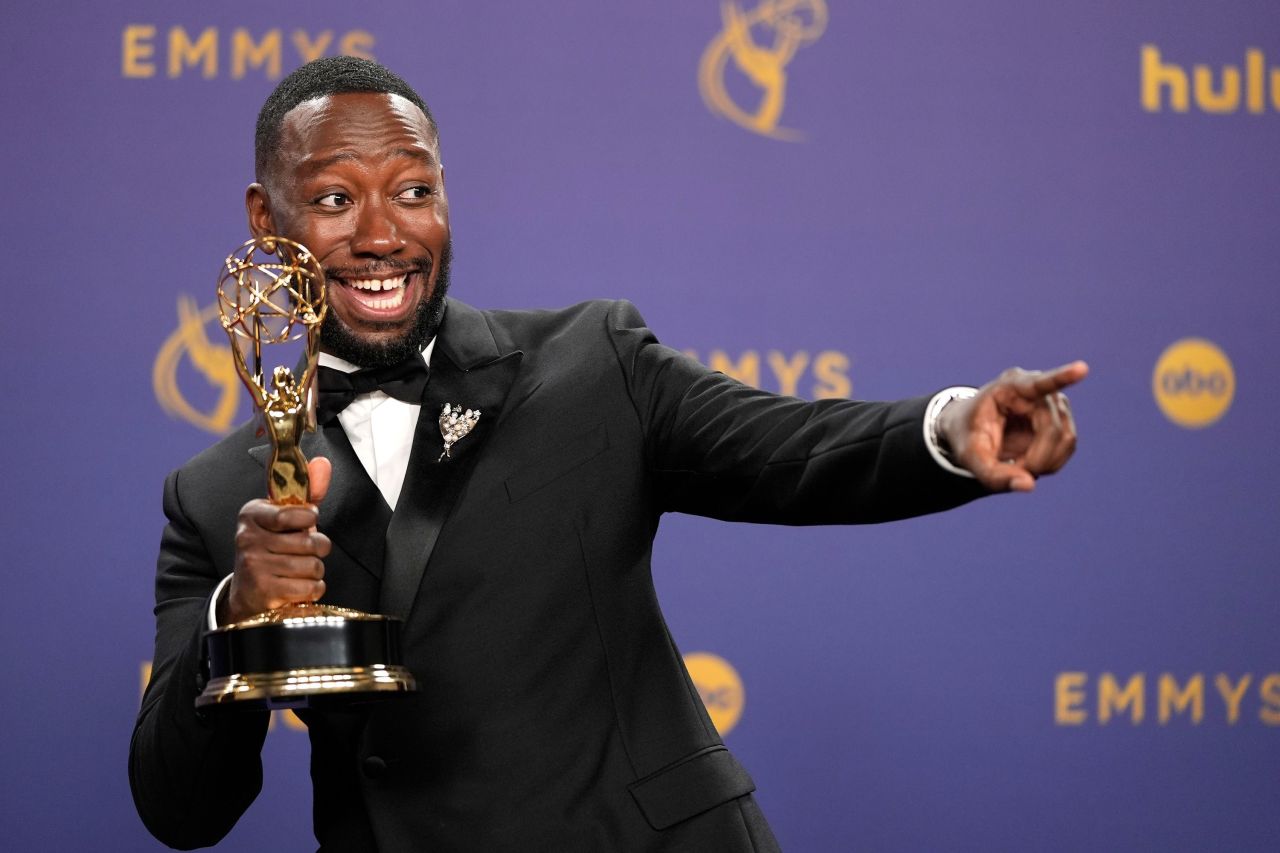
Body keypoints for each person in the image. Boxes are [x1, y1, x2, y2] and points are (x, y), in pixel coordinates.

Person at [130, 57, 1085, 852]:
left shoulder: (590, 362)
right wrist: (237, 617)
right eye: (335, 198)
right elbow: (180, 808)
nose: (384, 235)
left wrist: (951, 430)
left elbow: (789, 449)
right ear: (266, 219)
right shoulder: (216, 498)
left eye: (414, 190)